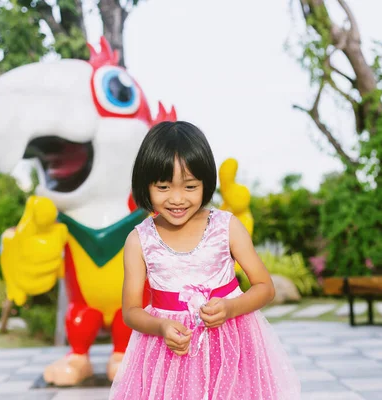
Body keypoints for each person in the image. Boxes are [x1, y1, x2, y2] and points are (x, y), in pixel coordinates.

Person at [109, 121, 301, 400]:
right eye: (163, 187)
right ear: (145, 185)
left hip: (232, 351)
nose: (177, 199)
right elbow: (131, 312)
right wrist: (161, 326)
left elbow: (264, 287)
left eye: (189, 186)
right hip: (168, 358)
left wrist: (231, 307)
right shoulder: (139, 240)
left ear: (205, 183)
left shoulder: (227, 227)